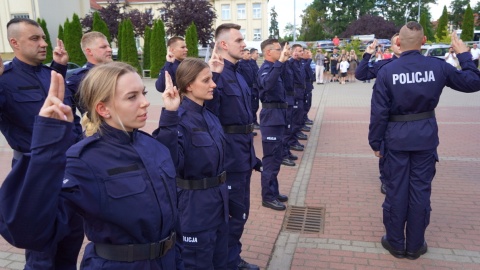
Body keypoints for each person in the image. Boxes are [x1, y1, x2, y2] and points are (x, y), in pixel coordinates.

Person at [0, 62, 184, 269]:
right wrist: (47, 143)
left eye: (143, 93)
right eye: (132, 97)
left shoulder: (151, 145)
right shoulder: (84, 159)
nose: (145, 102)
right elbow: (27, 231)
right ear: (103, 108)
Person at [369, 21, 480, 260]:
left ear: (398, 41)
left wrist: (375, 143)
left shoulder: (387, 71)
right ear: (425, 40)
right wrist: (464, 55)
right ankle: (416, 245)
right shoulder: (437, 67)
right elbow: (473, 82)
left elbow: (378, 112)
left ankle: (396, 243)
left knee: (397, 191)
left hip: (395, 139)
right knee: (420, 191)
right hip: (425, 138)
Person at [0, 18, 83, 269]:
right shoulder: (5, 80)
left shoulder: (53, 75)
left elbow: (72, 119)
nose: (43, 43)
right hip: (33, 170)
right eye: (35, 39)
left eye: (43, 37)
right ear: (14, 43)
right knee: (42, 252)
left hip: (69, 169)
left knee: (71, 238)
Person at [154, 58, 229, 269]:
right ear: (188, 85)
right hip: (194, 208)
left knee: (220, 260)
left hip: (218, 202)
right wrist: (169, 115)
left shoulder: (209, 115)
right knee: (197, 264)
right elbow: (168, 162)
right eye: (206, 80)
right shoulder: (178, 119)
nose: (213, 84)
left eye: (212, 79)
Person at [205, 23, 261, 270]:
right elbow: (207, 115)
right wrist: (213, 76)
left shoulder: (238, 73)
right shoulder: (214, 75)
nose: (244, 44)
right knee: (232, 216)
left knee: (240, 213)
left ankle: (231, 258)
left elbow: (245, 119)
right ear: (223, 44)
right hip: (228, 157)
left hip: (243, 154)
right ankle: (226, 263)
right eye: (239, 40)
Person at [356, 34, 401, 195]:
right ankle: (386, 180)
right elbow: (360, 75)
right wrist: (368, 54)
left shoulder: (422, 66)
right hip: (389, 120)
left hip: (410, 120)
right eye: (397, 42)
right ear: (392, 46)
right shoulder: (384, 64)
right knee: (387, 153)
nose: (400, 44)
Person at [257, 39, 291, 211]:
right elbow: (268, 85)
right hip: (271, 118)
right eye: (278, 50)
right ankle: (267, 197)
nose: (282, 52)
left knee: (277, 157)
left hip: (279, 117)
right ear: (268, 52)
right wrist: (280, 63)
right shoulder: (265, 70)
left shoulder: (275, 68)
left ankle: (274, 191)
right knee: (270, 159)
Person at [67, 31, 113, 116]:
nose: (110, 49)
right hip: (98, 127)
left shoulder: (116, 72)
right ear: (89, 51)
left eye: (109, 46)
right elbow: (67, 111)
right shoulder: (80, 78)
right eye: (103, 47)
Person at [237, 48, 258, 136]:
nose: (250, 55)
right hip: (246, 88)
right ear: (242, 54)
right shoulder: (240, 64)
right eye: (248, 53)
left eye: (250, 53)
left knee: (253, 106)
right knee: (247, 108)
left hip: (252, 87)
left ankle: (251, 125)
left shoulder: (249, 63)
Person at [250, 48, 261, 129]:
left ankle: (254, 121)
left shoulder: (254, 63)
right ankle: (253, 122)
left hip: (256, 88)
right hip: (252, 88)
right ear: (252, 54)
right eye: (256, 53)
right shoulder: (250, 63)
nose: (258, 55)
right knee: (253, 106)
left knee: (256, 106)